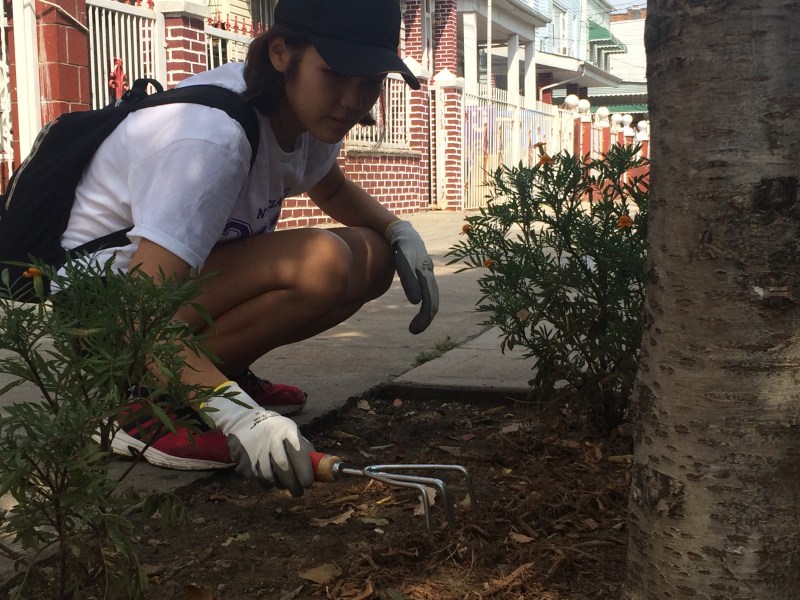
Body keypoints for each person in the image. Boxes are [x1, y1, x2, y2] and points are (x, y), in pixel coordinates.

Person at [62, 0, 439, 497]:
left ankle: (215, 374)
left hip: (167, 300)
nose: (352, 100)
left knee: (369, 257)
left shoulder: (308, 115)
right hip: (110, 318)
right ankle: (144, 408)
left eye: (369, 80)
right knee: (322, 263)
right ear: (281, 53)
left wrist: (398, 231)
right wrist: (238, 416)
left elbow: (328, 187)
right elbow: (143, 315)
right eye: (335, 74)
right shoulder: (212, 139)